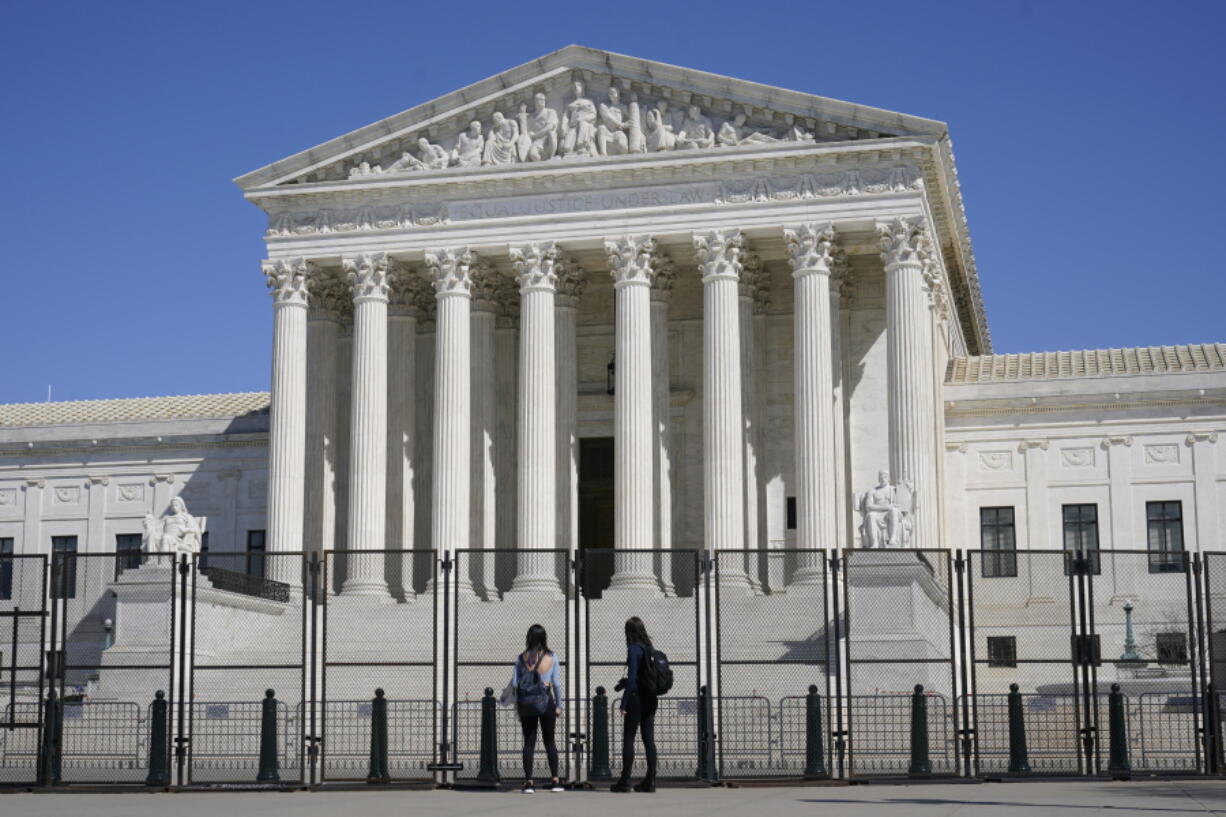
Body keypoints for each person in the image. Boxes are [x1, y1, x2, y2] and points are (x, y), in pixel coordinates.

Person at [507, 624, 564, 793]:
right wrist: (559, 705)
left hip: (526, 703)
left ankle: (529, 782)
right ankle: (555, 780)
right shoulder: (552, 657)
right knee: (550, 741)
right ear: (544, 637)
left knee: (529, 742)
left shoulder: (521, 658)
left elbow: (515, 683)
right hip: (546, 701)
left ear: (529, 637)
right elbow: (557, 684)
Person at [611, 616, 657, 793]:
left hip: (636, 698)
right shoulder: (649, 647)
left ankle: (625, 779)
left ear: (629, 632)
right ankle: (651, 780)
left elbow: (632, 681)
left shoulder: (633, 649)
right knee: (648, 739)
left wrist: (623, 704)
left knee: (629, 737)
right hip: (651, 697)